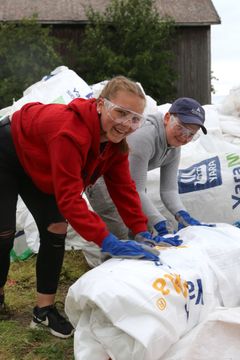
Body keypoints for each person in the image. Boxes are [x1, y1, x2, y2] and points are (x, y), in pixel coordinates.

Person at [0, 75, 173, 337]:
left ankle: (43, 311)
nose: (126, 124)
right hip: (8, 154)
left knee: (56, 228)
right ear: (101, 105)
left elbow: (124, 188)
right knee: (3, 233)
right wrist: (107, 240)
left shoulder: (115, 146)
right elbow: (70, 199)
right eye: (121, 113)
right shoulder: (70, 132)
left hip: (43, 164)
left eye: (135, 119)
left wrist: (141, 230)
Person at [86, 97, 212, 240]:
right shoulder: (144, 136)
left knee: (145, 232)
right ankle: (110, 259)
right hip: (102, 182)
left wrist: (182, 215)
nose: (184, 137)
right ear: (167, 118)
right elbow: (135, 189)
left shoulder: (174, 147)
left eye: (191, 134)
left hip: (128, 185)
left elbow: (168, 189)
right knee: (121, 236)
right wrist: (161, 222)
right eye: (181, 128)